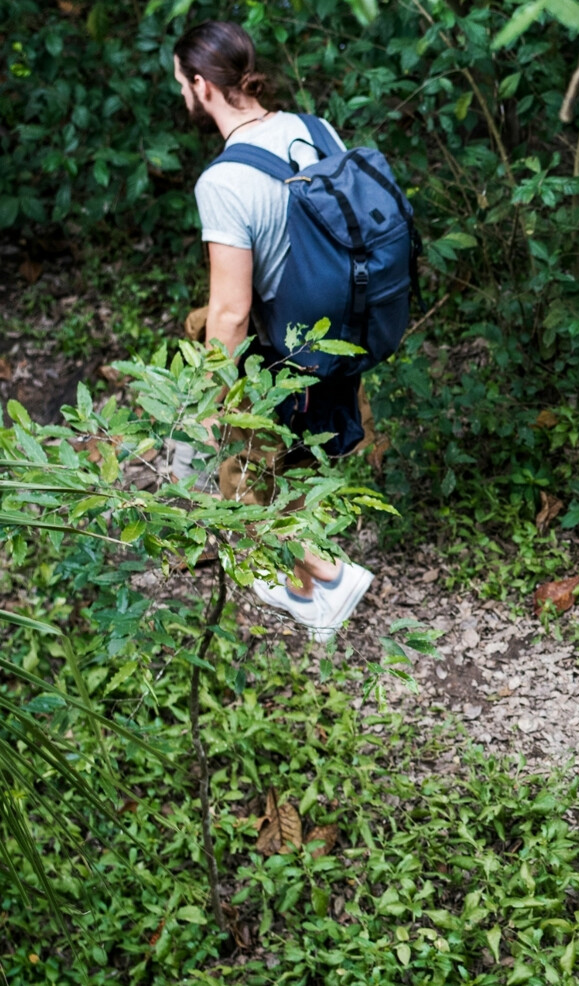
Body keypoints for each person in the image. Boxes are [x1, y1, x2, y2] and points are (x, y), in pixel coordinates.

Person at [172, 20, 372, 642]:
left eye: (182, 83)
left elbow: (229, 312)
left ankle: (328, 576)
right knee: (297, 466)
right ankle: (316, 594)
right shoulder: (315, 129)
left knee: (245, 475)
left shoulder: (223, 181)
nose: (183, 93)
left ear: (202, 86)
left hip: (286, 349)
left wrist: (209, 399)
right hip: (345, 332)